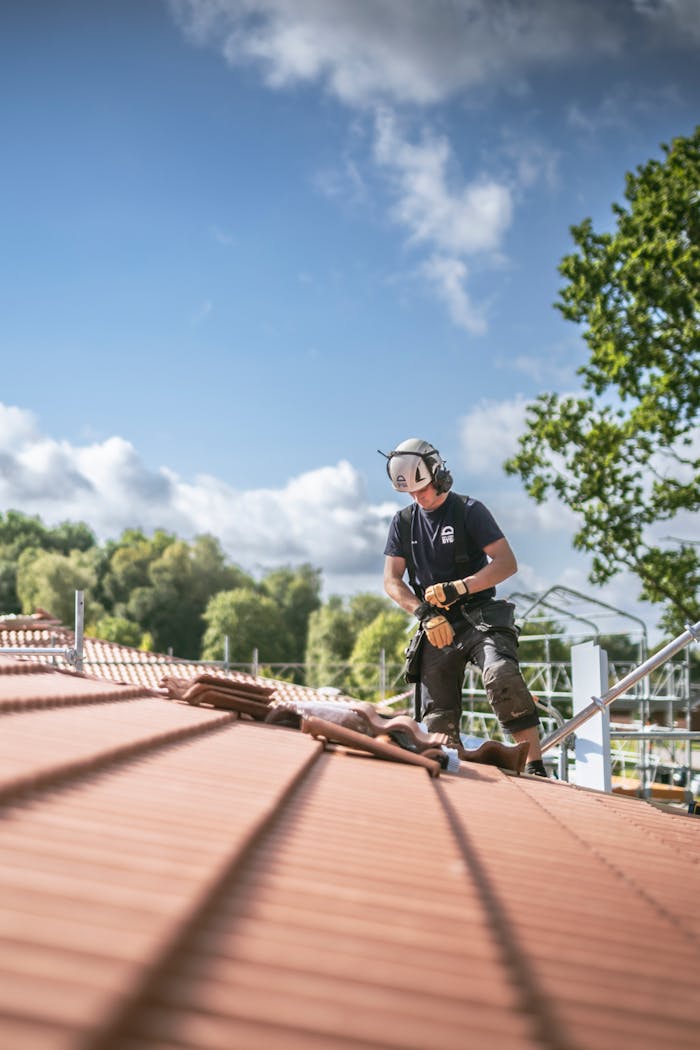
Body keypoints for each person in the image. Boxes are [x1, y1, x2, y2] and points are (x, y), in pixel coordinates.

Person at [380, 437, 547, 777]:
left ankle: (535, 766)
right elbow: (392, 581)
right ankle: (450, 768)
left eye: (422, 489)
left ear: (439, 476)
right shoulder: (403, 523)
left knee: (501, 675)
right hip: (436, 624)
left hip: (480, 616)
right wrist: (425, 615)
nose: (417, 497)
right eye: (410, 493)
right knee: (436, 718)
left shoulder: (470, 511)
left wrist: (461, 586)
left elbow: (506, 563)